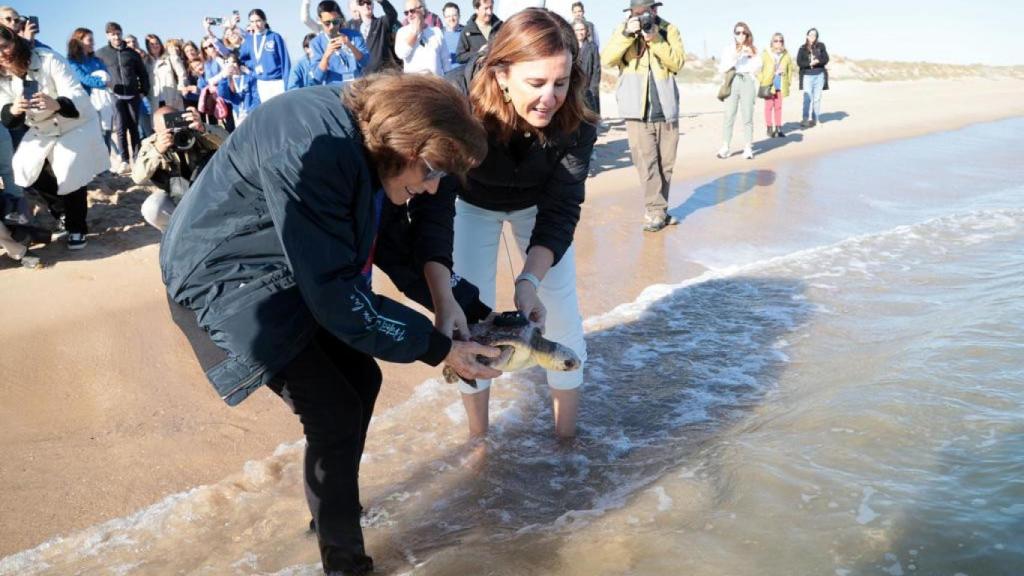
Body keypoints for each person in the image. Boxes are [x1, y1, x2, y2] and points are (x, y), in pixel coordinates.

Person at [161, 74, 498, 576]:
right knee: (333, 411)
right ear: (404, 144)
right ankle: (344, 563)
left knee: (363, 379)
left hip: (291, 263)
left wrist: (463, 306)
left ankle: (331, 519)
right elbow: (337, 299)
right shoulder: (316, 148)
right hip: (227, 275)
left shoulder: (387, 138)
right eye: (429, 171)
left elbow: (403, 234)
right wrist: (437, 348)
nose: (431, 186)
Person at [447, 8, 597, 439]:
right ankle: (479, 443)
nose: (550, 97)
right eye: (536, 84)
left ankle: (566, 443)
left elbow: (562, 207)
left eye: (561, 82)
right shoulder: (459, 101)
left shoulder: (576, 120)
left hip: (538, 205)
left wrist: (528, 278)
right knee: (469, 322)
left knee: (561, 317)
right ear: (501, 76)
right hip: (470, 201)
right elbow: (433, 192)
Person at [0, 27, 107, 250]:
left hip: (75, 121)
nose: (2, 53)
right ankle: (62, 213)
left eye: (5, 46)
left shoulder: (48, 59)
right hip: (42, 128)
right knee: (23, 169)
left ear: (16, 41)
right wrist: (15, 109)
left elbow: (75, 93)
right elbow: (6, 115)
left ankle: (77, 227)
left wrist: (56, 103)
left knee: (69, 168)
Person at [601, 0, 684, 233]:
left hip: (665, 107)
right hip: (635, 109)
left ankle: (660, 210)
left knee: (665, 164)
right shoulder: (623, 30)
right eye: (638, 14)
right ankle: (655, 211)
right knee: (646, 163)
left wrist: (654, 39)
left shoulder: (669, 30)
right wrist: (628, 33)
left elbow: (677, 62)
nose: (643, 17)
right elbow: (607, 59)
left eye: (646, 12)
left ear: (655, 11)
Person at [132, 106, 226, 231]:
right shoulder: (152, 144)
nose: (175, 132)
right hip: (177, 195)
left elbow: (231, 141)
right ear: (156, 130)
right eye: (168, 129)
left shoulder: (197, 133)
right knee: (152, 208)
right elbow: (138, 178)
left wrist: (203, 128)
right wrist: (157, 150)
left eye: (178, 125)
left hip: (210, 191)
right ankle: (177, 236)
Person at [96, 21, 149, 172]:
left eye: (118, 33)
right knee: (120, 128)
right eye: (113, 34)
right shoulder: (101, 54)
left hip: (133, 95)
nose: (116, 36)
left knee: (134, 127)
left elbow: (143, 74)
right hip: (115, 96)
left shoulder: (132, 53)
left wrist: (143, 90)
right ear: (107, 35)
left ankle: (137, 159)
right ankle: (124, 160)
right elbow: (96, 72)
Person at [67, 27, 117, 164]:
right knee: (93, 135)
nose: (93, 43)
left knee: (106, 133)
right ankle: (94, 167)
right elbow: (84, 79)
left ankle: (105, 166)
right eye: (90, 40)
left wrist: (107, 82)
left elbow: (108, 76)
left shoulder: (97, 60)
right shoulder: (72, 62)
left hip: (105, 102)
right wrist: (103, 83)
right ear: (79, 41)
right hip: (86, 103)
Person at [717, 21, 759, 160]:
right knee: (729, 115)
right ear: (734, 34)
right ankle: (725, 147)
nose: (741, 35)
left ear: (747, 34)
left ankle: (748, 148)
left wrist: (751, 55)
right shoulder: (728, 49)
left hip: (747, 80)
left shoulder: (752, 49)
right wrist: (735, 56)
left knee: (747, 116)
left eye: (743, 32)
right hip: (733, 80)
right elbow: (723, 68)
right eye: (738, 32)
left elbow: (758, 67)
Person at [238, 9, 291, 104]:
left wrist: (287, 83)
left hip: (278, 82)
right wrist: (252, 70)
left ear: (264, 21)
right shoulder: (249, 40)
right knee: (268, 114)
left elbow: (285, 61)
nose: (255, 24)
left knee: (282, 111)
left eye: (258, 20)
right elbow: (240, 59)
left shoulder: (274, 36)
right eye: (252, 22)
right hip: (262, 83)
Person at [310, 0, 368, 85]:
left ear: (340, 18)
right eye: (327, 23)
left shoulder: (355, 35)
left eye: (335, 22)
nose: (332, 27)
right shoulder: (316, 43)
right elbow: (317, 77)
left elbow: (365, 62)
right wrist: (326, 55)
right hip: (333, 93)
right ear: (319, 20)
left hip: (356, 88)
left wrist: (350, 46)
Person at [395, 0, 450, 76]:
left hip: (435, 83)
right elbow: (401, 54)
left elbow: (446, 60)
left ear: (423, 11)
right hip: (414, 84)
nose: (409, 15)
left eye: (412, 11)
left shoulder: (437, 31)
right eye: (406, 13)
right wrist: (415, 32)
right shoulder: (402, 32)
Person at [759, 32, 794, 138]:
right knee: (768, 107)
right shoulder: (766, 54)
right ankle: (769, 128)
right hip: (769, 84)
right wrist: (763, 80)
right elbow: (758, 69)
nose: (778, 43)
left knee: (778, 107)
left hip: (781, 84)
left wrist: (788, 82)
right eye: (776, 41)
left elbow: (790, 69)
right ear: (772, 42)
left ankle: (778, 129)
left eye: (781, 41)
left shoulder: (786, 54)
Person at [352, 0, 401, 73]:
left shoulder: (382, 23)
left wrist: (382, 1)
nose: (366, 5)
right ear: (357, 7)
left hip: (383, 74)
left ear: (372, 5)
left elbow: (392, 14)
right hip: (364, 77)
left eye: (368, 2)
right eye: (361, 3)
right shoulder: (354, 30)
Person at [797, 27, 828, 128]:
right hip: (807, 76)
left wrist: (818, 61)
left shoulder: (821, 46)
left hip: (819, 75)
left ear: (816, 36)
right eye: (810, 34)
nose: (812, 36)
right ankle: (805, 119)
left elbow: (826, 58)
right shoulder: (802, 48)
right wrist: (809, 63)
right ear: (807, 36)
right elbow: (799, 62)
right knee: (807, 98)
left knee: (817, 99)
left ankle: (816, 120)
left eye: (814, 35)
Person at [146, 34, 186, 112]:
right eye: (152, 44)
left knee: (177, 123)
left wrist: (180, 90)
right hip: (155, 102)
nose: (155, 46)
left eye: (157, 43)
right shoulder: (146, 63)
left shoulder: (170, 57)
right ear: (148, 46)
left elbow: (182, 74)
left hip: (173, 99)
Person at [456, 0, 501, 65]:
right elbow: (459, 57)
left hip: (498, 71)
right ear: (476, 9)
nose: (489, 12)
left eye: (491, 7)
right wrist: (478, 53)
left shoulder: (501, 27)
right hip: (478, 73)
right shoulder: (467, 31)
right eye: (486, 8)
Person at [572, 18, 600, 115]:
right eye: (577, 30)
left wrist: (593, 89)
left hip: (588, 89)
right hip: (573, 90)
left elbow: (596, 70)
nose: (579, 32)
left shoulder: (593, 47)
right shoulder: (569, 47)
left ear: (586, 31)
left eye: (582, 29)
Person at [440, 2, 463, 68]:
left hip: (464, 75)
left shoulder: (467, 33)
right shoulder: (439, 35)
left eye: (454, 15)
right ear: (444, 18)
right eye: (448, 16)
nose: (451, 19)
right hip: (444, 76)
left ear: (459, 16)